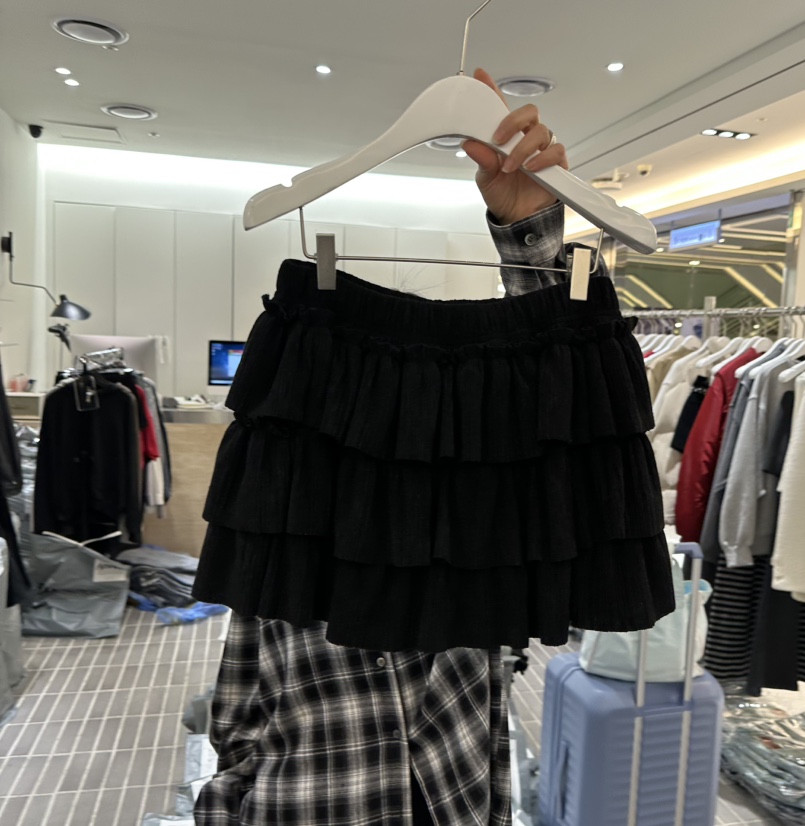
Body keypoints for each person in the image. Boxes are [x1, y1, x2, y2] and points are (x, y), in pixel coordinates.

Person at [195, 69, 574, 826]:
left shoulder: (478, 492)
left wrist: (533, 232)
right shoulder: (299, 474)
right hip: (311, 802)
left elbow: (552, 401)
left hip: (456, 796)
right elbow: (242, 691)